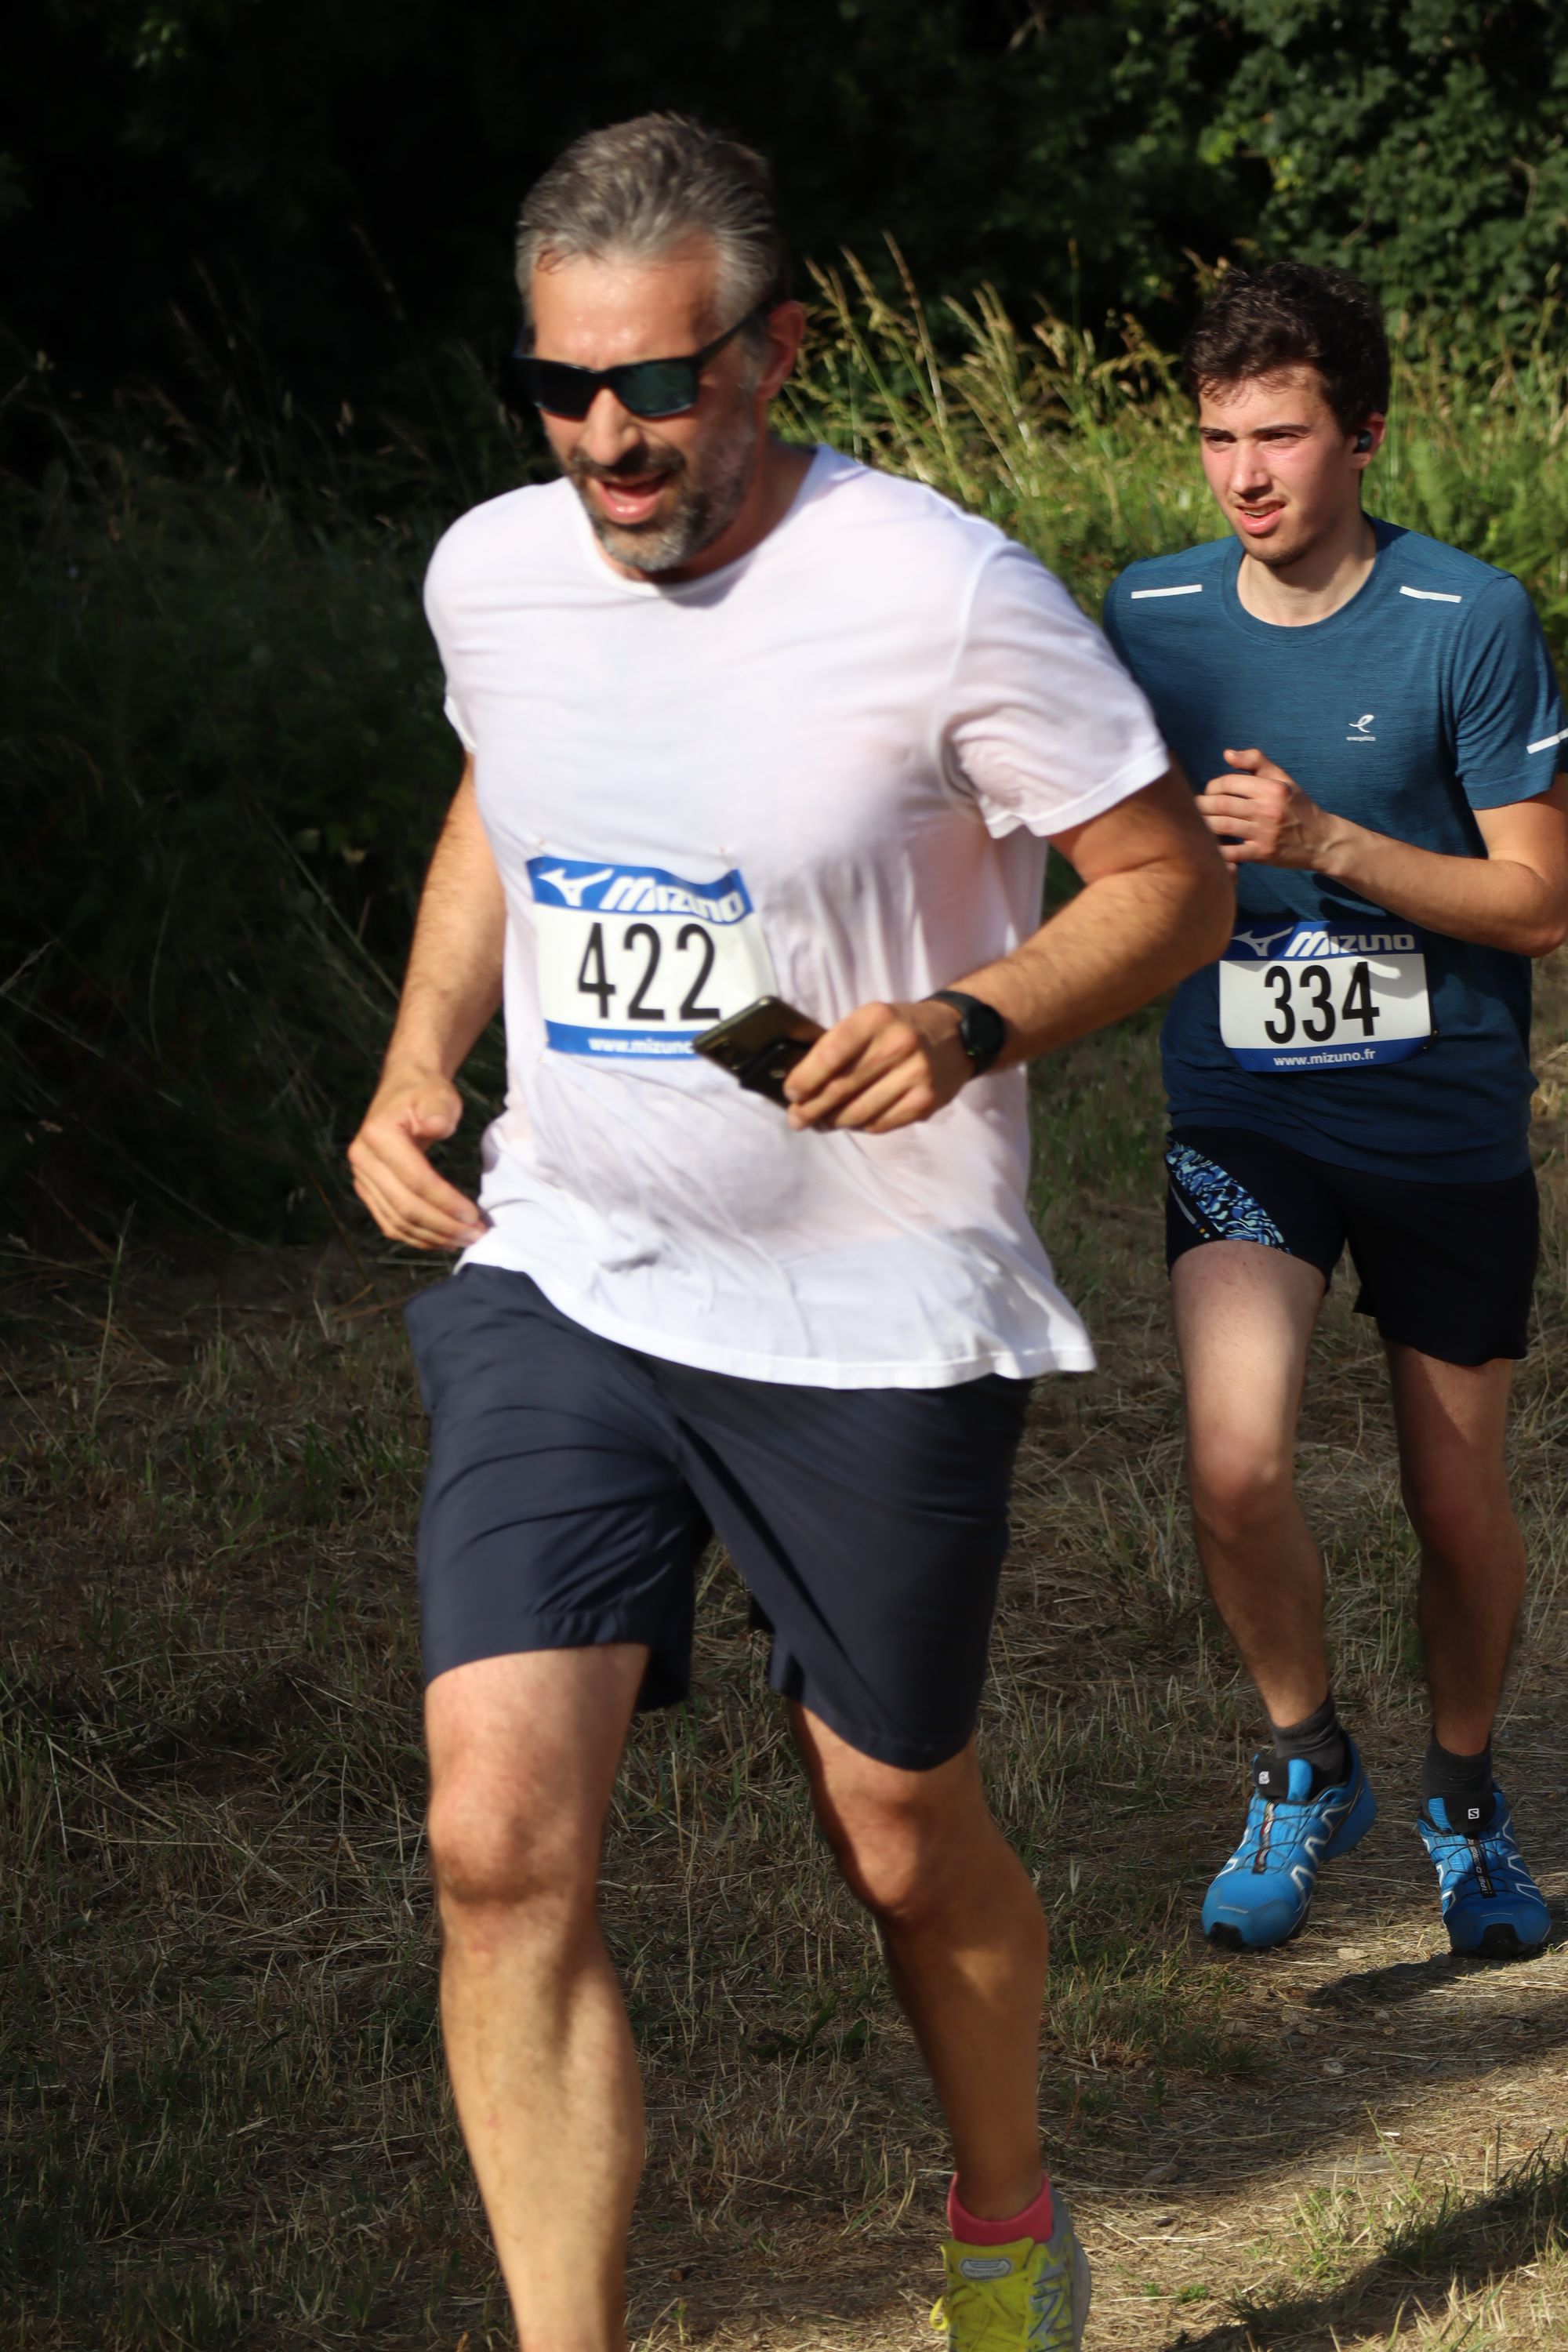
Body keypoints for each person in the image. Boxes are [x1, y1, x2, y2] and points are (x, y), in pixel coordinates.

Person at [348, 112, 1230, 2352]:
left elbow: (1167, 884)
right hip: (570, 1266)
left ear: (774, 351)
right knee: (494, 1842)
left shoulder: (940, 589)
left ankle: (1006, 2223)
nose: (606, 438)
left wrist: (969, 1018)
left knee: (897, 1832)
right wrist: (418, 1058)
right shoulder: (495, 570)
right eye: (561, 387)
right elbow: (507, 788)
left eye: (655, 383)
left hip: (870, 1308)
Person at [1103, 261, 1568, 1961]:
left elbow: (1537, 903)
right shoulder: (1149, 614)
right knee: (1234, 1466)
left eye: (1281, 436)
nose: (1244, 474)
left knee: (1454, 1502)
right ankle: (1306, 1761)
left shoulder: (1469, 618)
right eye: (1218, 436)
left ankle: (1464, 1797)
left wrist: (1328, 846)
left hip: (1442, 1125)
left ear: (1361, 435)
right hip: (1247, 1111)